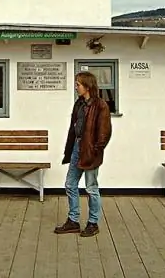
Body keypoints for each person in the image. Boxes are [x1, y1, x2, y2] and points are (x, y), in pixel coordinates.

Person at [54, 71, 112, 237]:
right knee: (70, 184)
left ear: (87, 86)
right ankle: (73, 221)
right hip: (77, 149)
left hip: (91, 151)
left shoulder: (101, 105)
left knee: (91, 188)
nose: (76, 87)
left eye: (78, 84)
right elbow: (74, 127)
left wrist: (95, 150)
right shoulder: (79, 103)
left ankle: (93, 223)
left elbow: (104, 133)